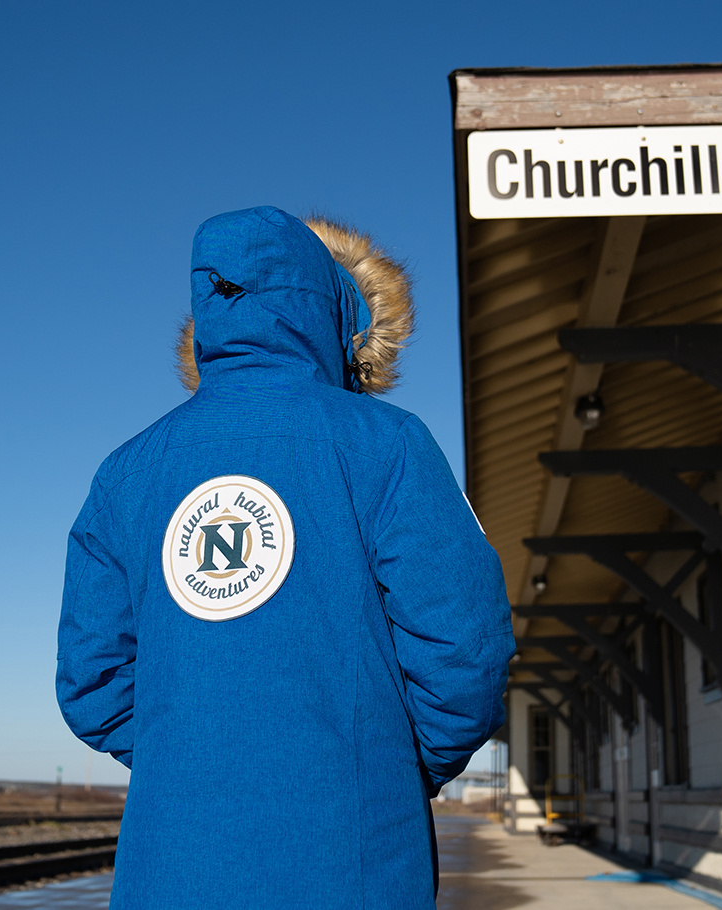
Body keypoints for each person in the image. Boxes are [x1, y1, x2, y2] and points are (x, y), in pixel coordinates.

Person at [56, 206, 512, 909]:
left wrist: (191, 756)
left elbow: (90, 678)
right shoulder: (388, 445)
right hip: (353, 859)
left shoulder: (126, 473)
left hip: (169, 864)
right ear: (342, 313)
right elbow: (466, 649)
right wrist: (387, 763)